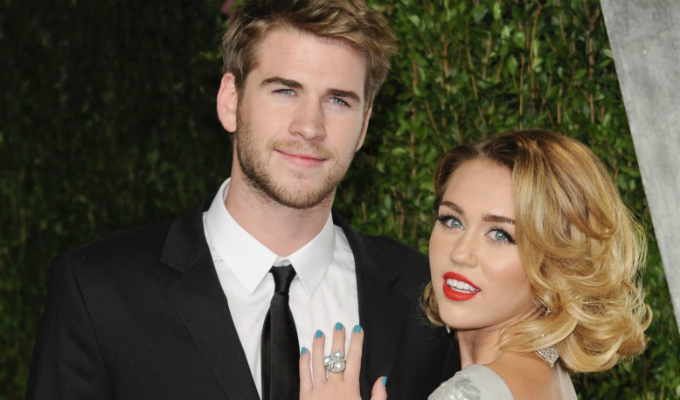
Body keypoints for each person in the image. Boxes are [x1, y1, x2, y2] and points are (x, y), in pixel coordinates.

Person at [25, 1, 458, 399]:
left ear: (363, 126)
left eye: (338, 100)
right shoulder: (99, 293)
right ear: (230, 101)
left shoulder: (427, 299)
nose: (310, 126)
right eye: (285, 90)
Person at [301, 130, 650, 399]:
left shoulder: (470, 393)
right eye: (451, 220)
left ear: (557, 262)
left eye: (500, 235)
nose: (461, 253)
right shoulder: (548, 376)